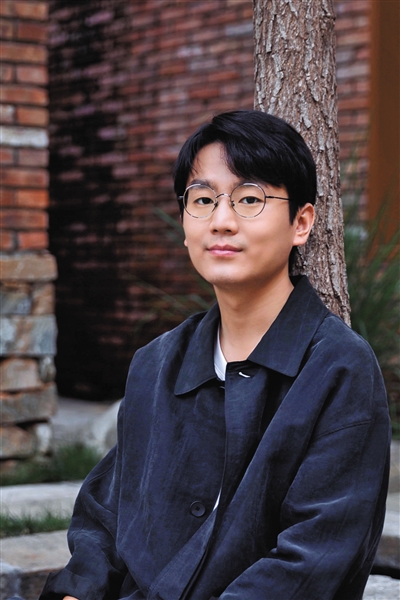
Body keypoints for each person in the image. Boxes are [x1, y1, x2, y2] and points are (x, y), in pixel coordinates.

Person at [39, 110, 390, 600]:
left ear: (301, 223)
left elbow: (315, 558)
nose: (222, 221)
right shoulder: (156, 363)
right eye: (203, 200)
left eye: (250, 199)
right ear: (186, 223)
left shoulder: (340, 369)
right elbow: (105, 518)